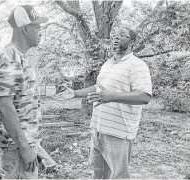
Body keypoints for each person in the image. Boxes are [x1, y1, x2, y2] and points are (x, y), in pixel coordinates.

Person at [54, 27, 152, 179]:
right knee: (99, 175)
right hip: (98, 130)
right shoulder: (108, 64)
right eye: (115, 35)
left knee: (118, 176)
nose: (116, 38)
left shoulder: (137, 65)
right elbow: (98, 88)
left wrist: (111, 97)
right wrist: (75, 93)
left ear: (131, 42)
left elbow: (144, 96)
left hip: (119, 133)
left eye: (122, 35)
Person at [0, 5, 48, 179]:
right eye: (37, 27)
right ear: (26, 29)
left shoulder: (18, 56)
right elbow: (5, 106)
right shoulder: (10, 58)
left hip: (22, 146)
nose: (40, 32)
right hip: (17, 149)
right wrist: (25, 148)